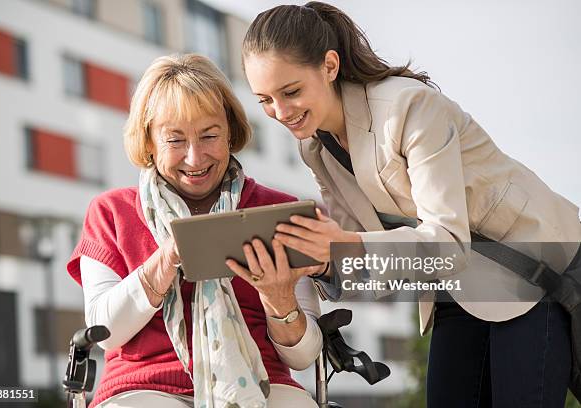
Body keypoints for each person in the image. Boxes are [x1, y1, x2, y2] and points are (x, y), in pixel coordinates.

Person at [240, 2, 581, 407]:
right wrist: (320, 261)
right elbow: (371, 263)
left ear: (329, 66)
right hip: (455, 287)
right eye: (264, 100)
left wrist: (345, 247)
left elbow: (448, 243)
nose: (280, 112)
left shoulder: (408, 108)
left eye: (291, 92)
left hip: (533, 271)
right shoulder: (316, 148)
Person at [66, 54, 324, 408]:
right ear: (148, 143)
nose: (194, 157)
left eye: (209, 135)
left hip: (260, 383)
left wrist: (279, 299)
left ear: (230, 132)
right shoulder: (111, 211)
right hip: (143, 387)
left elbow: (304, 356)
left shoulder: (277, 210)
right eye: (175, 140)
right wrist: (168, 258)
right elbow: (106, 332)